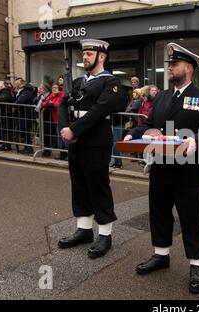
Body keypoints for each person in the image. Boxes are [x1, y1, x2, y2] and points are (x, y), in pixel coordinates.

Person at [124, 42, 199, 294]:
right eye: (169, 64)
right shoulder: (163, 97)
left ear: (187, 68)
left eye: (174, 64)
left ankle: (196, 265)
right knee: (159, 214)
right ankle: (161, 254)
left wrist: (195, 140)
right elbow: (151, 124)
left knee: (191, 219)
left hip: (189, 170)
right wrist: (134, 134)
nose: (169, 68)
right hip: (162, 167)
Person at [57, 39, 126, 259]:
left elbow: (100, 109)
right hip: (76, 142)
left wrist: (74, 130)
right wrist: (64, 129)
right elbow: (62, 104)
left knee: (98, 186)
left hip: (96, 142)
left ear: (102, 56)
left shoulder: (111, 83)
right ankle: (84, 229)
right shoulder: (78, 82)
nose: (84, 57)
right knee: (79, 184)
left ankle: (105, 235)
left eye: (89, 53)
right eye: (83, 53)